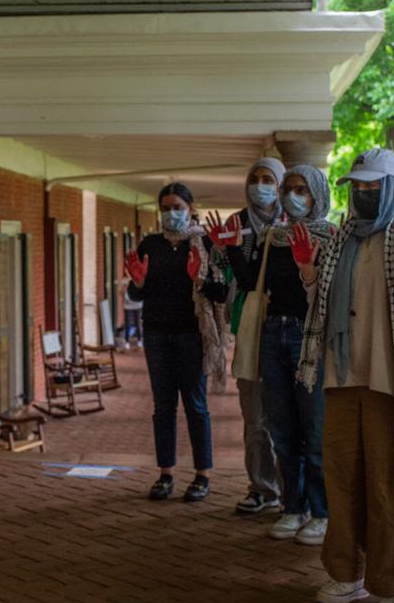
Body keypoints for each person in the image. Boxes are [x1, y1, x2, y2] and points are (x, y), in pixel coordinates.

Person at [295, 148, 394, 603]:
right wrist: (309, 273)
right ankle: (344, 572)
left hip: (391, 379)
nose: (365, 194)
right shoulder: (341, 239)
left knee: (390, 483)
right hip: (341, 373)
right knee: (341, 477)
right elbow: (322, 300)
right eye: (359, 187)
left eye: (374, 186)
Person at [209, 164, 333, 543]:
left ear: (317, 196)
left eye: (302, 190)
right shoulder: (273, 236)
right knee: (281, 428)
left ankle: (321, 512)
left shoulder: (330, 236)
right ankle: (292, 508)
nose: (292, 196)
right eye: (289, 189)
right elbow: (250, 283)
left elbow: (330, 293)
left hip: (308, 336)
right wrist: (230, 251)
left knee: (313, 430)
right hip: (272, 333)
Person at [126, 182, 227, 503]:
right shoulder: (151, 244)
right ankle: (165, 473)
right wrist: (138, 283)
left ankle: (202, 475)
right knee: (163, 407)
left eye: (178, 207)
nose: (172, 214)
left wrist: (201, 280)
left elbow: (222, 293)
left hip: (191, 336)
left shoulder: (205, 244)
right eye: (166, 208)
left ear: (191, 208)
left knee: (196, 407)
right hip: (157, 334)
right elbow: (134, 294)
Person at [225, 157, 285, 514]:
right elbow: (232, 281)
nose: (260, 186)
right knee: (255, 418)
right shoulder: (237, 224)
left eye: (268, 179)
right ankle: (262, 487)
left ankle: (293, 494)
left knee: (287, 419)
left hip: (285, 330)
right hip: (248, 330)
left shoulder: (293, 224)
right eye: (255, 179)